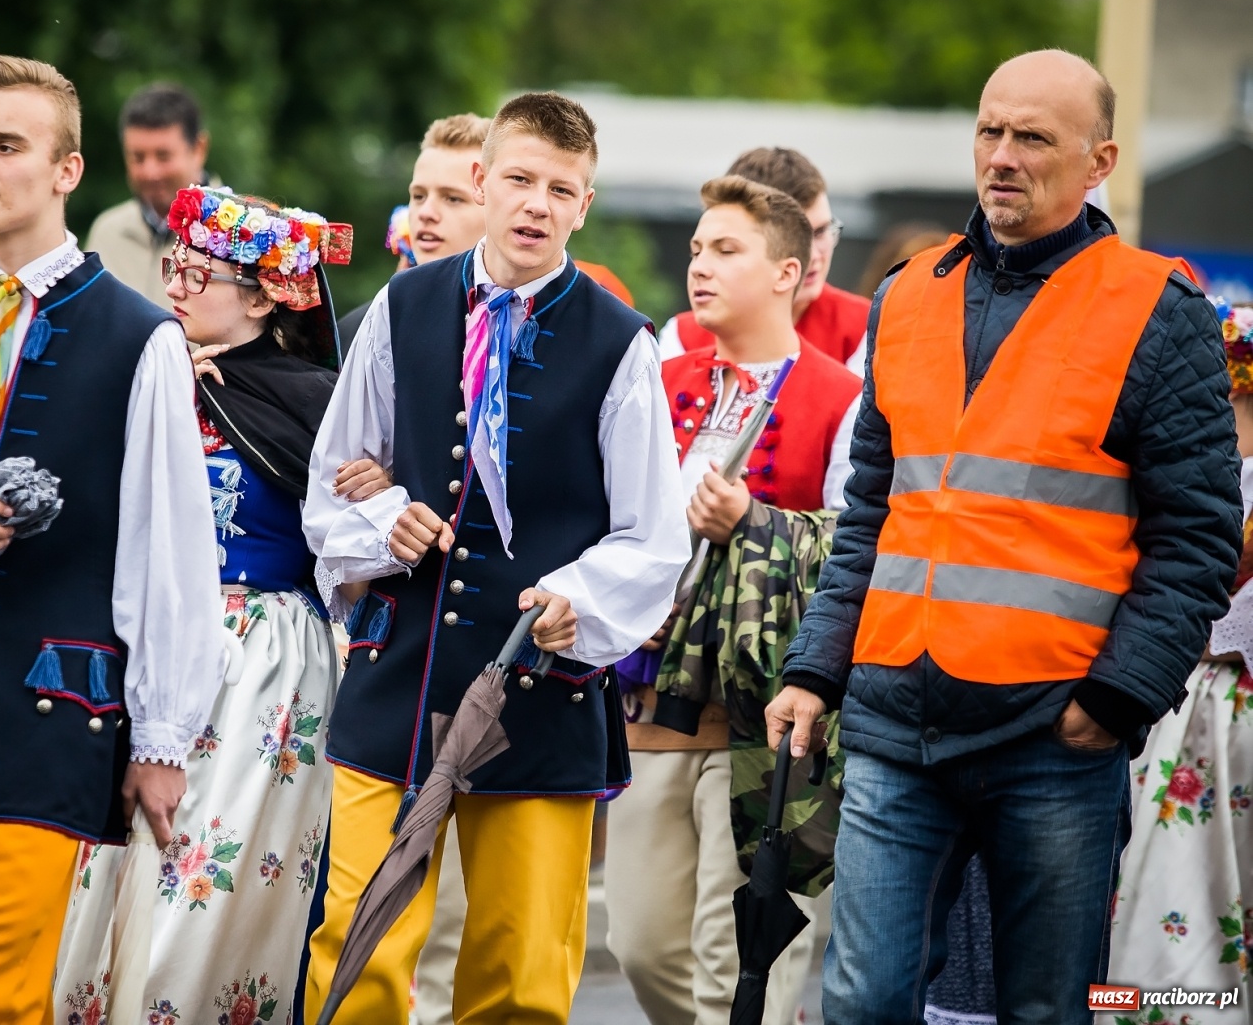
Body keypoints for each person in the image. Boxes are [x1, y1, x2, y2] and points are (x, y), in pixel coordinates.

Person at [766, 49, 1243, 1021]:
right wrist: (815, 670)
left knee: (1041, 1009)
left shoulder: (1159, 310)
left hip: (1055, 736)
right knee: (861, 1003)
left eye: (1034, 137)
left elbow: (1197, 536)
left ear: (1099, 159)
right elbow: (872, 510)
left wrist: (1118, 697)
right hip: (898, 722)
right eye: (991, 130)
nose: (1004, 156)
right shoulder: (907, 297)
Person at [301, 91, 688, 1024]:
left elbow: (653, 535)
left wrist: (575, 598)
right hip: (400, 677)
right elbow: (332, 481)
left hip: (541, 692)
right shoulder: (403, 307)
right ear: (483, 181)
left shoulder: (619, 344)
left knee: (520, 977)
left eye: (562, 189)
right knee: (357, 949)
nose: (536, 205)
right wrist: (386, 518)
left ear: (583, 206)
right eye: (519, 179)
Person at [0, 56, 226, 1025]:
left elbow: (170, 549)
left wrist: (164, 735)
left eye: (6, 145)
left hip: (57, 708)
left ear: (66, 172)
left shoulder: (142, 337)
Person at [50, 184, 350, 1022]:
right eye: (172, 267)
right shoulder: (145, 374)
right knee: (102, 869)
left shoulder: (311, 398)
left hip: (262, 662)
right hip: (145, 644)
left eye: (199, 272)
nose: (174, 285)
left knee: (208, 875)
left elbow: (348, 537)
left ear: (262, 296)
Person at [605, 175, 860, 1025]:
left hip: (769, 709)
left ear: (787, 271)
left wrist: (755, 520)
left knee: (741, 956)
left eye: (726, 249)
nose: (700, 266)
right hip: (652, 704)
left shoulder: (845, 396)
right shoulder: (656, 375)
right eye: (696, 250)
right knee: (639, 944)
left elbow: (859, 543)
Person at [1103, 302, 1253, 1011]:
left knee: (1179, 888)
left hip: (1198, 704)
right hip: (1183, 703)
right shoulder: (1185, 470)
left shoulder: (1184, 471)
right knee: (1177, 886)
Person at [661, 147, 871, 375]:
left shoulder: (864, 328)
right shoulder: (683, 336)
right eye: (698, 251)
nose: (810, 255)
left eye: (820, 232)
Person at [337, 113, 490, 349]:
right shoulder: (357, 332)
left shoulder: (533, 326)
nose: (425, 213)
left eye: (453, 198)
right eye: (418, 196)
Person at [85, 82, 213, 302]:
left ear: (199, 150)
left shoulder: (242, 237)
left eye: (163, 156)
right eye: (138, 157)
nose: (150, 172)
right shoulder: (106, 232)